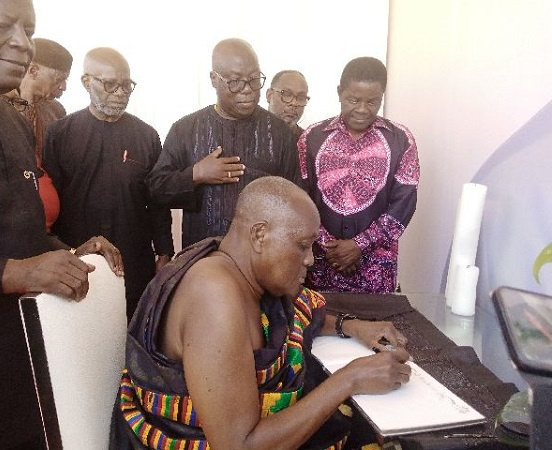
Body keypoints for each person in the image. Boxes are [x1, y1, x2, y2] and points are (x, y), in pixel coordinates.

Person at [111, 176, 411, 450]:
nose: (309, 260)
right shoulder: (214, 295)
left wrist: (353, 326)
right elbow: (238, 445)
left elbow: (298, 314)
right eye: (303, 246)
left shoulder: (239, 265)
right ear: (259, 235)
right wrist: (350, 379)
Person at [0, 1, 123, 449]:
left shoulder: (14, 121)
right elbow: (13, 263)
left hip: (27, 356)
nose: (22, 44)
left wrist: (68, 255)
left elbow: (19, 229)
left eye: (28, 30)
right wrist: (19, 273)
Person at [43, 47, 174, 320]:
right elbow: (50, 204)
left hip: (134, 260)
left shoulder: (146, 136)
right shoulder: (60, 134)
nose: (121, 92)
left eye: (127, 85)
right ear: (86, 82)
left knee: (134, 334)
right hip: (80, 260)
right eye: (110, 84)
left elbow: (157, 200)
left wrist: (164, 251)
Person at [146, 38, 301, 249]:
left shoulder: (280, 132)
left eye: (254, 79)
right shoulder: (186, 129)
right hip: (203, 259)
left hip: (261, 261)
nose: (247, 89)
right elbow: (156, 189)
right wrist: (195, 174)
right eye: (235, 81)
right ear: (214, 79)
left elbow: (295, 200)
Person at [299, 57, 420, 293]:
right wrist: (330, 247)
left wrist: (359, 245)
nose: (363, 110)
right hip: (322, 263)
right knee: (319, 324)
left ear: (382, 96)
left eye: (372, 102)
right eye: (354, 100)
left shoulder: (401, 140)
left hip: (376, 266)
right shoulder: (312, 138)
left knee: (375, 328)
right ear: (339, 92)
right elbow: (300, 197)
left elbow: (403, 205)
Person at [4, 37, 73, 231]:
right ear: (33, 70)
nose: (64, 87)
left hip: (49, 229)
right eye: (59, 79)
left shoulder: (55, 111)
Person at [266, 69, 310, 138]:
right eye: (287, 94)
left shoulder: (307, 143)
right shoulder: (247, 134)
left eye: (301, 98)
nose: (294, 103)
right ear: (269, 95)